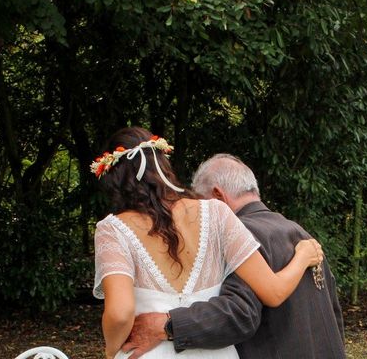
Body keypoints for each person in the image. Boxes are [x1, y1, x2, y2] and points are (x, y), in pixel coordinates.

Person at [92, 127, 324, 359]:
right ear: (163, 165)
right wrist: (302, 256)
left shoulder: (112, 229)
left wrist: (112, 351)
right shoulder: (216, 213)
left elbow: (120, 313)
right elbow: (274, 292)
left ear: (114, 180)